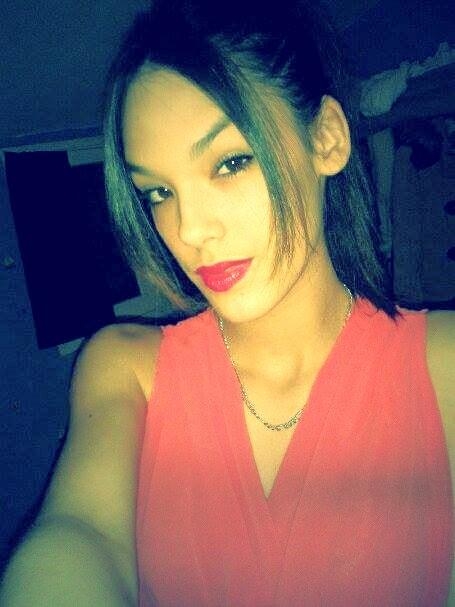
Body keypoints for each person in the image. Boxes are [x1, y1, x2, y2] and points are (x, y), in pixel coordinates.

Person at [1, 0, 453, 605]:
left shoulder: (443, 364)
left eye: (231, 162)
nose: (189, 230)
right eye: (158, 192)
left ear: (326, 138)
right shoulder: (125, 368)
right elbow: (79, 536)